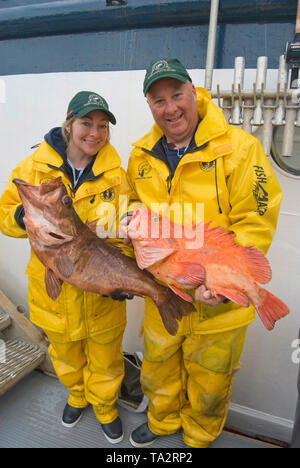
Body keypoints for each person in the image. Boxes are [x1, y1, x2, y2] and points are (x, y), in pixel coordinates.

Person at [121, 58, 283, 448]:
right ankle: (161, 422)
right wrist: (128, 221)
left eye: (177, 95)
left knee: (211, 379)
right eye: (159, 100)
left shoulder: (241, 149)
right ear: (149, 105)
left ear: (194, 92)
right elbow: (131, 203)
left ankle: (197, 437)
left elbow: (256, 220)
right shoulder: (140, 156)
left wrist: (224, 282)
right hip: (165, 291)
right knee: (158, 368)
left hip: (218, 302)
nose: (170, 108)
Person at [0, 91, 132, 444]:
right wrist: (19, 216)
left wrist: (121, 276)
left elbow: (122, 235)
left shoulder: (118, 177)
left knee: (106, 357)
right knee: (64, 353)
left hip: (101, 293)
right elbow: (5, 214)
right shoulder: (33, 168)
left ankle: (105, 407)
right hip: (53, 290)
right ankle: (76, 395)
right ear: (69, 125)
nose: (95, 132)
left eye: (103, 126)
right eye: (87, 123)